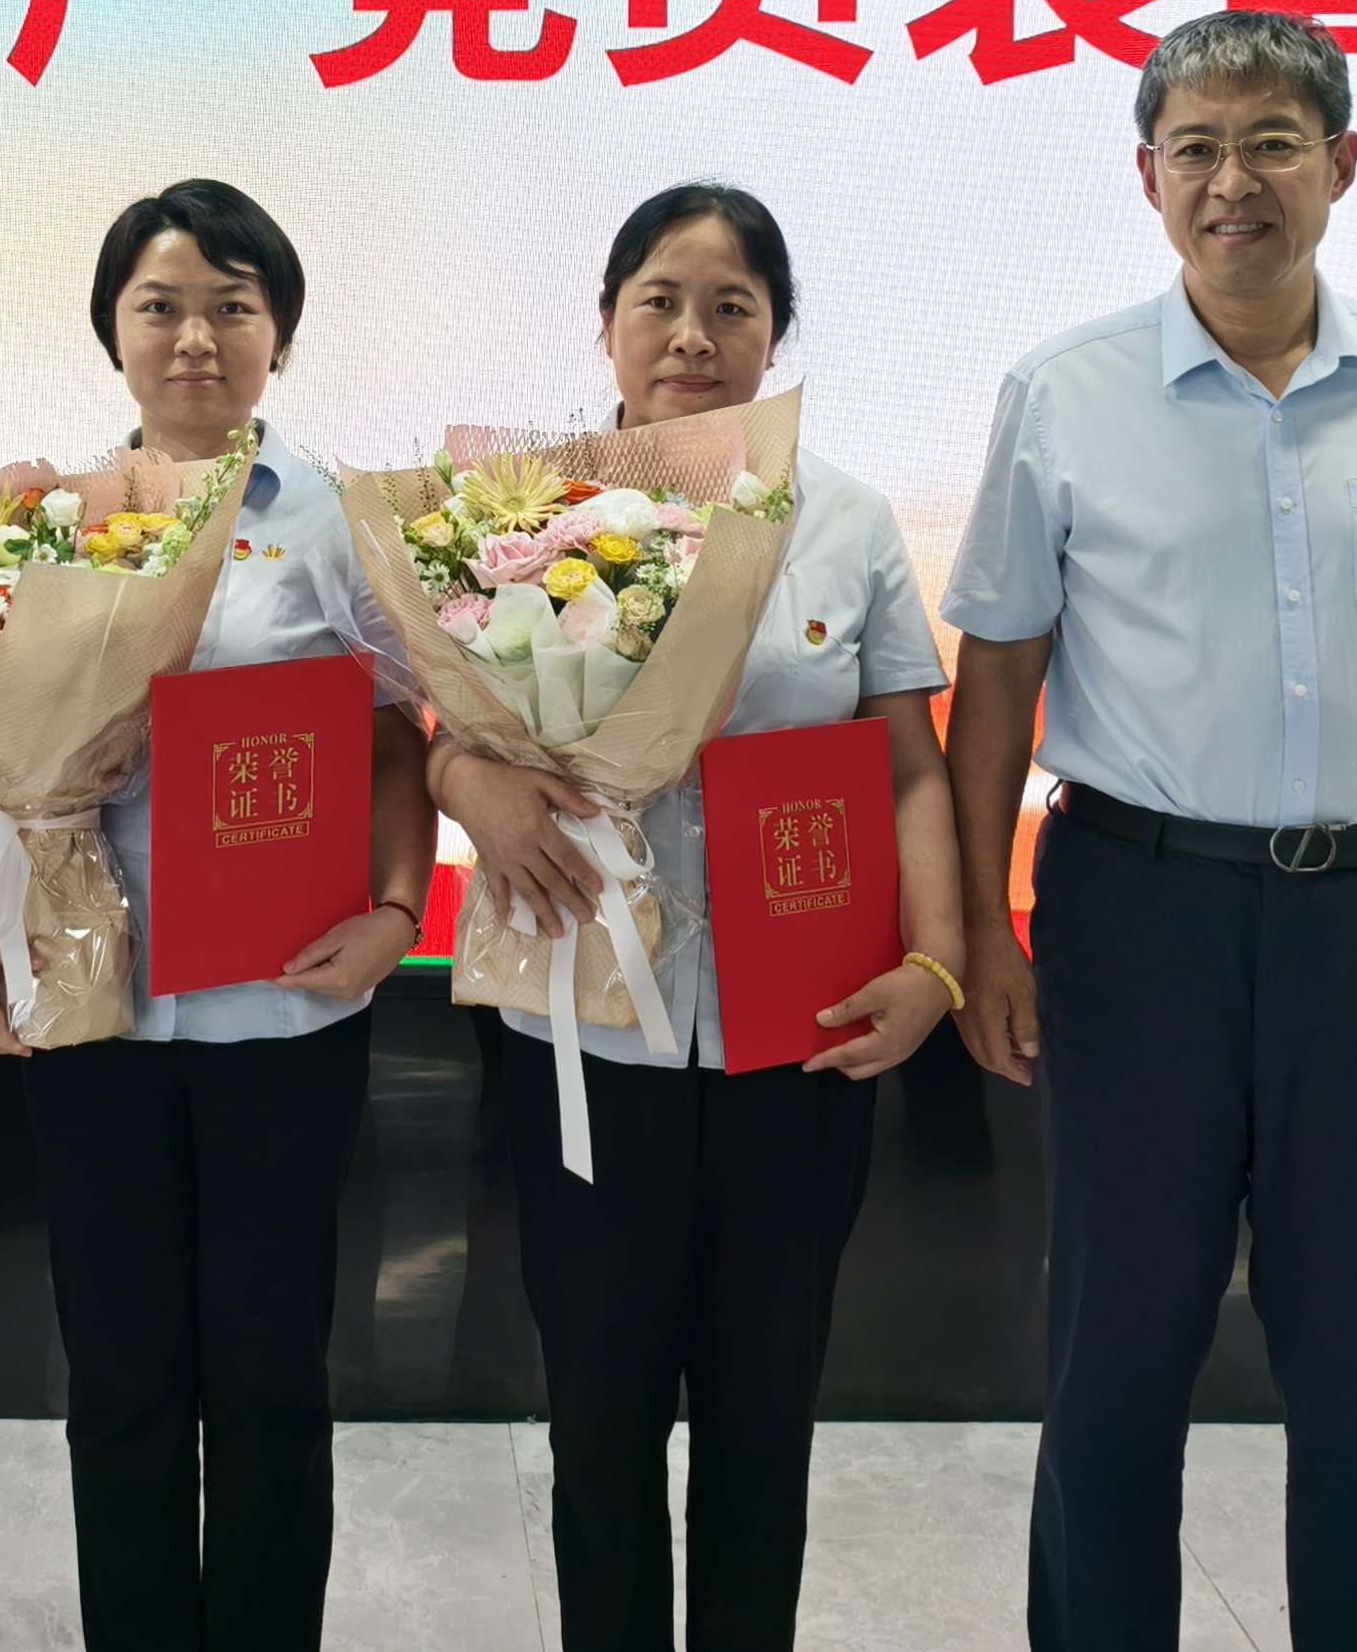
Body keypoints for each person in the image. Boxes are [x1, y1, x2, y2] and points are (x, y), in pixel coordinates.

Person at [940, 10, 1357, 1652]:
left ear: (1339, 164)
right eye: (1197, 148)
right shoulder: (1062, 392)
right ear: (1146, 177)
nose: (1234, 180)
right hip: (1134, 916)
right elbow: (995, 680)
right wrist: (980, 932)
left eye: (1271, 142)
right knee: (1112, 1366)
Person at [427, 183, 969, 1652]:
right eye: (659, 300)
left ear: (775, 336)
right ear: (604, 321)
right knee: (598, 1424)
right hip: (584, 1038)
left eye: (733, 307)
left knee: (762, 1420)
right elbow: (451, 736)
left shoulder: (842, 519)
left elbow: (910, 767)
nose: (692, 334)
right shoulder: (513, 519)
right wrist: (474, 789)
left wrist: (935, 964)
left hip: (799, 1039)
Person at [0, 179, 435, 1652]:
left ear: (279, 333)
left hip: (286, 1001)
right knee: (122, 1374)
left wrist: (399, 910)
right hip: (94, 1007)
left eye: (231, 306)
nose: (196, 337)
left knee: (272, 1373)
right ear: (113, 332)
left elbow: (399, 739)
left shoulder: (342, 523)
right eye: (161, 307)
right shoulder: (42, 526)